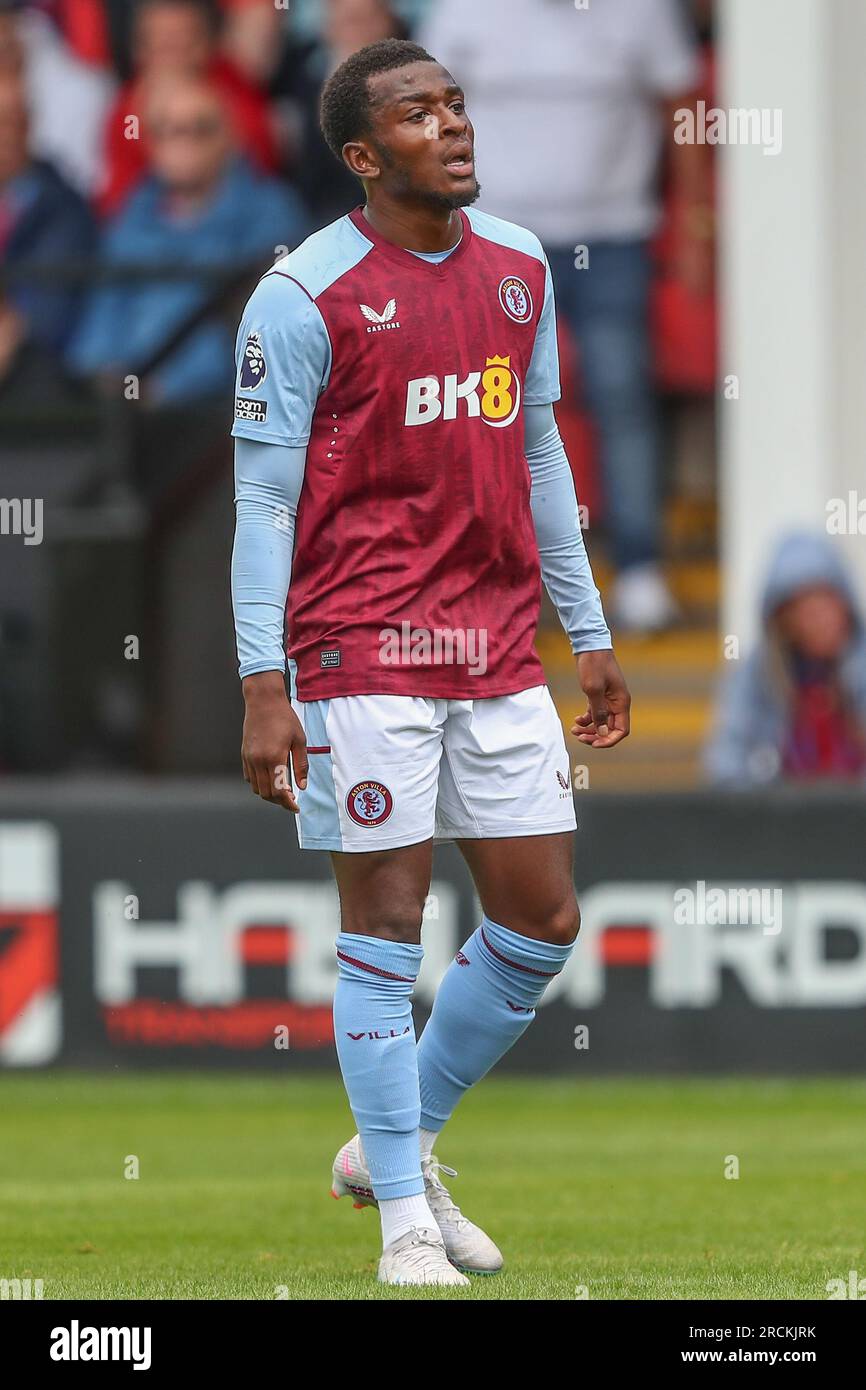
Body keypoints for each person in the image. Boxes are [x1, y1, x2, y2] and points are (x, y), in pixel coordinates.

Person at [231, 38, 630, 1287]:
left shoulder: (518, 267)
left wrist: (592, 630)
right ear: (362, 156)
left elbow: (543, 459)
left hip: (496, 645)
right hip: (361, 652)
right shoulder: (303, 296)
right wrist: (262, 683)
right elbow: (260, 500)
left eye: (455, 103)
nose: (452, 126)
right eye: (417, 115)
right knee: (385, 928)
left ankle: (389, 1147)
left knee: (541, 917)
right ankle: (405, 1219)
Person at [419, 0, 710, 633]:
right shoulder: (462, 11)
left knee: (620, 396)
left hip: (614, 236)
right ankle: (481, 572)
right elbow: (418, 111)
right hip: (489, 238)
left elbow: (682, 105)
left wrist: (693, 219)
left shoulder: (644, 12)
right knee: (477, 406)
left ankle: (638, 568)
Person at [71, 77, 305, 403]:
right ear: (150, 144)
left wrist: (166, 390)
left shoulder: (269, 213)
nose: (183, 142)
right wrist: (102, 377)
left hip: (216, 416)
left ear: (230, 137)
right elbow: (104, 313)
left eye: (200, 128)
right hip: (123, 411)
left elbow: (255, 334)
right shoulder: (132, 214)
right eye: (168, 130)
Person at [705, 533, 866, 787]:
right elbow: (724, 767)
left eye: (828, 602)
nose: (822, 620)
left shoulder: (859, 670)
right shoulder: (756, 678)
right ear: (783, 620)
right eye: (807, 610)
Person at [97, 0, 278, 216]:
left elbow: (264, 162)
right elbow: (118, 203)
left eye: (181, 42)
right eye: (159, 44)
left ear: (207, 44)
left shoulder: (232, 85)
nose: (171, 58)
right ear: (139, 50)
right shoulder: (127, 108)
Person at [0, 74, 95, 397]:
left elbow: (45, 317)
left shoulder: (63, 208)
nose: (5, 135)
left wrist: (14, 326)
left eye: (13, 122)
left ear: (29, 127)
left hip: (34, 381)